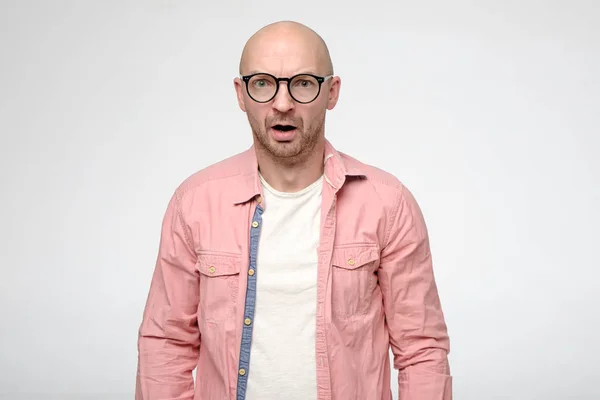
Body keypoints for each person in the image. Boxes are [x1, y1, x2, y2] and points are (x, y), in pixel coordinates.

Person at [135, 20, 452, 400]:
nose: (282, 103)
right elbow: (165, 344)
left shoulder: (388, 203)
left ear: (331, 92)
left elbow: (421, 350)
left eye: (302, 83)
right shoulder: (195, 203)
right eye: (263, 83)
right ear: (241, 93)